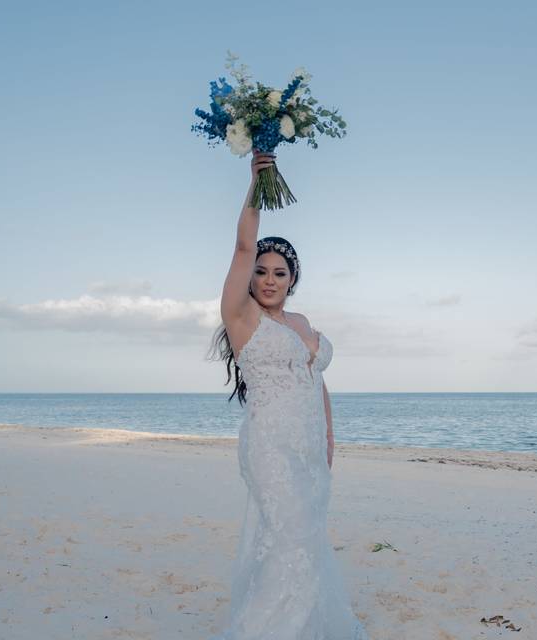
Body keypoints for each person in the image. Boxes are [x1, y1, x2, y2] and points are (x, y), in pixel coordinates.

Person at [207, 149, 369, 639]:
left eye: (279, 273)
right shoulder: (242, 318)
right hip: (270, 448)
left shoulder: (301, 324)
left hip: (309, 452)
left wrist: (329, 441)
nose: (269, 280)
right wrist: (257, 185)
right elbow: (241, 247)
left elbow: (315, 381)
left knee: (305, 544)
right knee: (287, 541)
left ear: (292, 279)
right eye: (261, 272)